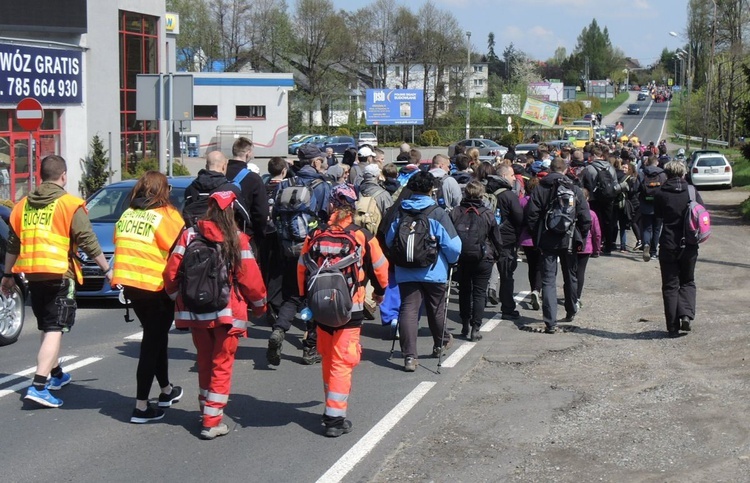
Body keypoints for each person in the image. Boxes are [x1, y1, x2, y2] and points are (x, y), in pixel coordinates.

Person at [2, 155, 111, 408]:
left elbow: (13, 243)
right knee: (53, 329)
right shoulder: (69, 204)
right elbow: (87, 239)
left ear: (41, 176)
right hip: (60, 274)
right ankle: (39, 386)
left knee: (48, 326)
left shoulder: (21, 206)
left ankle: (56, 374)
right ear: (63, 176)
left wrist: (7, 276)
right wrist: (107, 269)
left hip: (33, 276)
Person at [164, 191, 267, 439]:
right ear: (233, 212)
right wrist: (260, 306)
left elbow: (171, 273)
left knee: (205, 362)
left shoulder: (189, 235)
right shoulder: (237, 239)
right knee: (222, 365)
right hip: (226, 312)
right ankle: (211, 421)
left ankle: (205, 409)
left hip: (196, 312)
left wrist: (174, 296)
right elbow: (251, 280)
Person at [298, 184, 389, 437]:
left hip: (319, 306)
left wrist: (306, 298)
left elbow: (301, 268)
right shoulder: (361, 235)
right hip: (351, 308)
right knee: (343, 360)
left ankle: (331, 406)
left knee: (327, 356)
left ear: (331, 206)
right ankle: (335, 419)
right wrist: (381, 292)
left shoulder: (315, 234)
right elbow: (381, 266)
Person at [112, 171, 186, 423]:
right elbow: (181, 245)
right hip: (155, 286)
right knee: (151, 344)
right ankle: (141, 407)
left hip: (131, 285)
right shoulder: (166, 214)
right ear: (163, 190)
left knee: (155, 337)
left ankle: (166, 391)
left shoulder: (127, 214)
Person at [386, 171, 462, 371]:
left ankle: (410, 357)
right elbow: (453, 246)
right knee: (436, 308)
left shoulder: (400, 211)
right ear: (431, 189)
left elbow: (389, 240)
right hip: (433, 269)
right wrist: (452, 261)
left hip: (405, 269)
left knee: (408, 310)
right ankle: (441, 343)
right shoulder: (436, 212)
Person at [267, 144, 332, 366]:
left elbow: (275, 214)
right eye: (321, 160)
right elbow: (324, 217)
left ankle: (278, 330)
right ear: (315, 163)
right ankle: (310, 348)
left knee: (293, 295)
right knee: (314, 296)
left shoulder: (285, 184)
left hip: (287, 248)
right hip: (312, 250)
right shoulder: (322, 186)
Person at [526, 157, 591, 333]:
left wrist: (536, 236)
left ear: (550, 169)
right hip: (569, 238)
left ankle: (550, 321)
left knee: (548, 279)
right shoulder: (574, 188)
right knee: (571, 276)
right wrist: (581, 237)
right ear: (565, 169)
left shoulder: (541, 188)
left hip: (547, 239)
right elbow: (586, 217)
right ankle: (570, 310)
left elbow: (531, 215)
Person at [653, 161, 702, 337]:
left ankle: (672, 326)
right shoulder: (692, 191)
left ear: (666, 174)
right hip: (689, 243)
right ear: (683, 173)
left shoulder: (661, 194)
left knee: (670, 285)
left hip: (668, 243)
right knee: (688, 280)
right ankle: (686, 315)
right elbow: (702, 213)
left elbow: (657, 217)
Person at [451, 181, 502, 340]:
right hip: (483, 257)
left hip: (462, 257)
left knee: (464, 291)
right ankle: (475, 328)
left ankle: (465, 325)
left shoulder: (456, 212)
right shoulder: (487, 213)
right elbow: (496, 239)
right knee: (479, 293)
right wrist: (496, 256)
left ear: (465, 194)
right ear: (482, 195)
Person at [183, 150, 250, 229]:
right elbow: (245, 219)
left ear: (206, 166)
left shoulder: (190, 190)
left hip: (197, 237)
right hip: (224, 237)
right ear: (224, 166)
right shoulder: (231, 190)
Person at [225, 137, 268, 242]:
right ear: (248, 153)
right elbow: (261, 212)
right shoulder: (253, 178)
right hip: (244, 234)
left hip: (221, 231)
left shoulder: (220, 173)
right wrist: (259, 234)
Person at [582, 147, 617, 255]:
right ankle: (609, 246)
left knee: (596, 222)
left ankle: (597, 244)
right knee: (608, 221)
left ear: (593, 156)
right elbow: (615, 184)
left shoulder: (589, 168)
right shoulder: (611, 168)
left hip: (594, 198)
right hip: (608, 198)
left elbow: (584, 184)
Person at [519, 177, 542, 310]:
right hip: (539, 239)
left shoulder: (522, 201)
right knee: (540, 266)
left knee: (531, 267)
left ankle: (533, 288)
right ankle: (537, 290)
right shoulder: (541, 202)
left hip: (526, 240)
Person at [638, 155, 666, 262]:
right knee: (657, 229)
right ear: (657, 162)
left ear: (647, 162)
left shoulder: (642, 173)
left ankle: (646, 244)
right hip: (659, 205)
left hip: (645, 204)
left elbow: (637, 188)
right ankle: (654, 252)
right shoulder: (662, 174)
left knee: (646, 228)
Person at [576, 188, 601, 304]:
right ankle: (577, 297)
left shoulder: (572, 211)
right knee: (580, 272)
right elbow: (597, 234)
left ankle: (570, 294)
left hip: (571, 245)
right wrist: (597, 250)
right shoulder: (592, 214)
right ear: (587, 199)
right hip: (586, 246)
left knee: (570, 272)